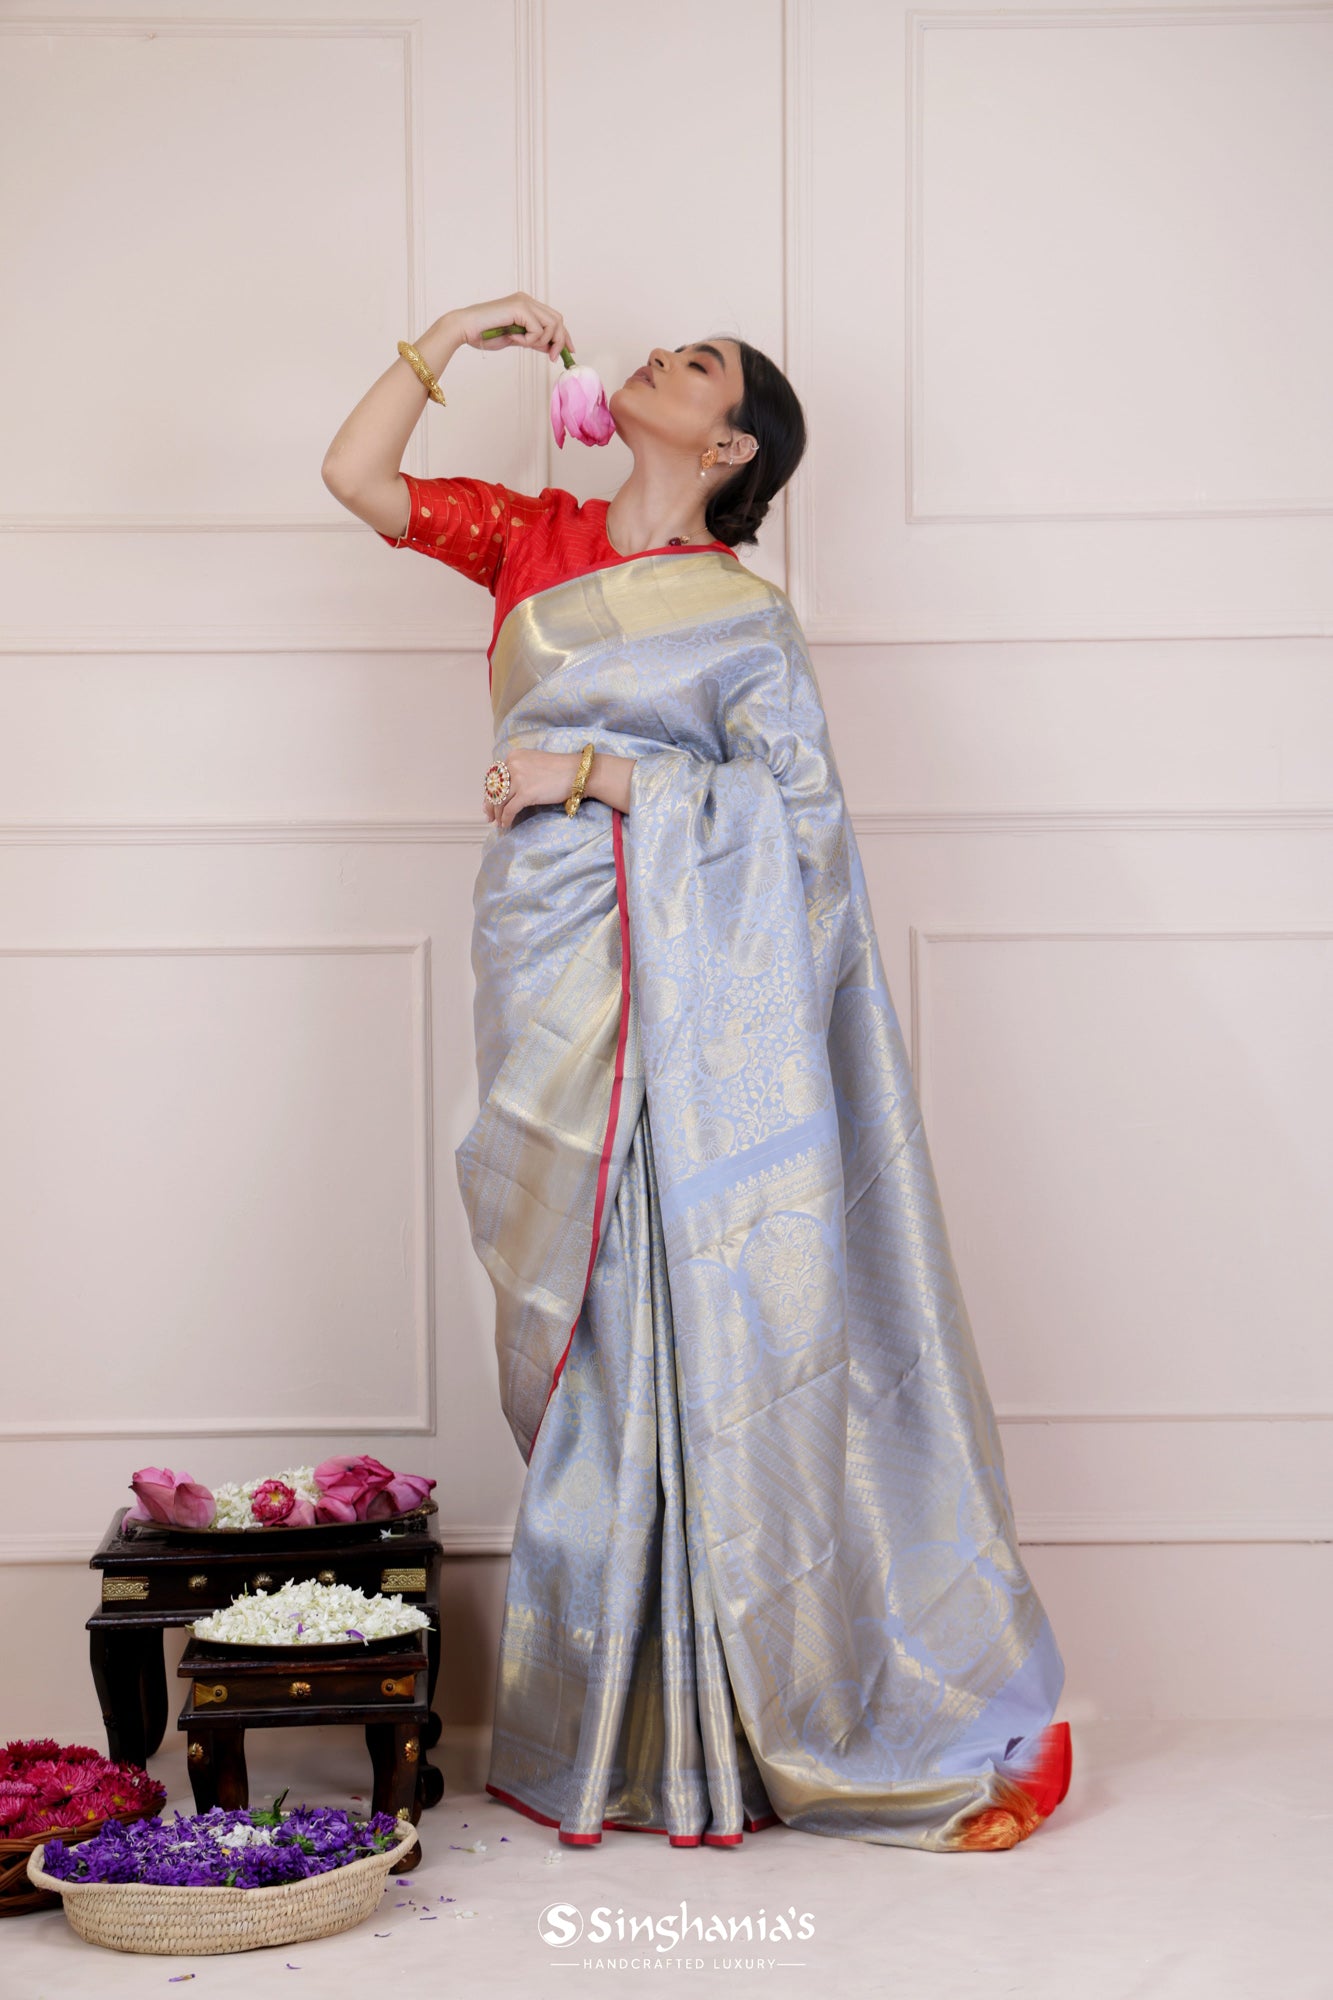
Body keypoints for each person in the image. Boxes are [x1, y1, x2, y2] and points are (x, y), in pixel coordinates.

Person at [322, 293, 1073, 1852]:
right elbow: (357, 479)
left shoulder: (746, 617)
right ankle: (617, 1719)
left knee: (683, 1303)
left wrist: (591, 772)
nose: (664, 353)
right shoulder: (528, 537)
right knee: (580, 1317)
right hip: (551, 962)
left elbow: (794, 827)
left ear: (731, 445)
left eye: (702, 363)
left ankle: (761, 1711)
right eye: (668, 348)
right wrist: (445, 339)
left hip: (692, 1005)